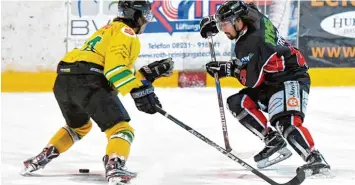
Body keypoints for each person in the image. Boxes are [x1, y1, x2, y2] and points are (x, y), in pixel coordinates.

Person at [21, 0, 174, 184]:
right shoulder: (127, 33)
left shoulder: (107, 29)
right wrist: (139, 91)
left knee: (79, 127)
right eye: (146, 16)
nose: (147, 21)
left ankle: (42, 156)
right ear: (136, 16)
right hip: (87, 80)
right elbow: (114, 69)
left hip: (64, 80)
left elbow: (112, 74)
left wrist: (145, 76)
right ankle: (115, 166)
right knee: (122, 129)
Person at [199, 0, 330, 175]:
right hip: (272, 78)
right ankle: (273, 140)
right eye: (221, 25)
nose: (223, 30)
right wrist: (214, 22)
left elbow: (251, 81)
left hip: (291, 77)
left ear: (238, 21)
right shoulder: (251, 14)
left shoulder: (253, 42)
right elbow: (246, 5)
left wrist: (229, 69)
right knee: (238, 102)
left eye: (225, 25)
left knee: (286, 122)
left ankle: (315, 159)